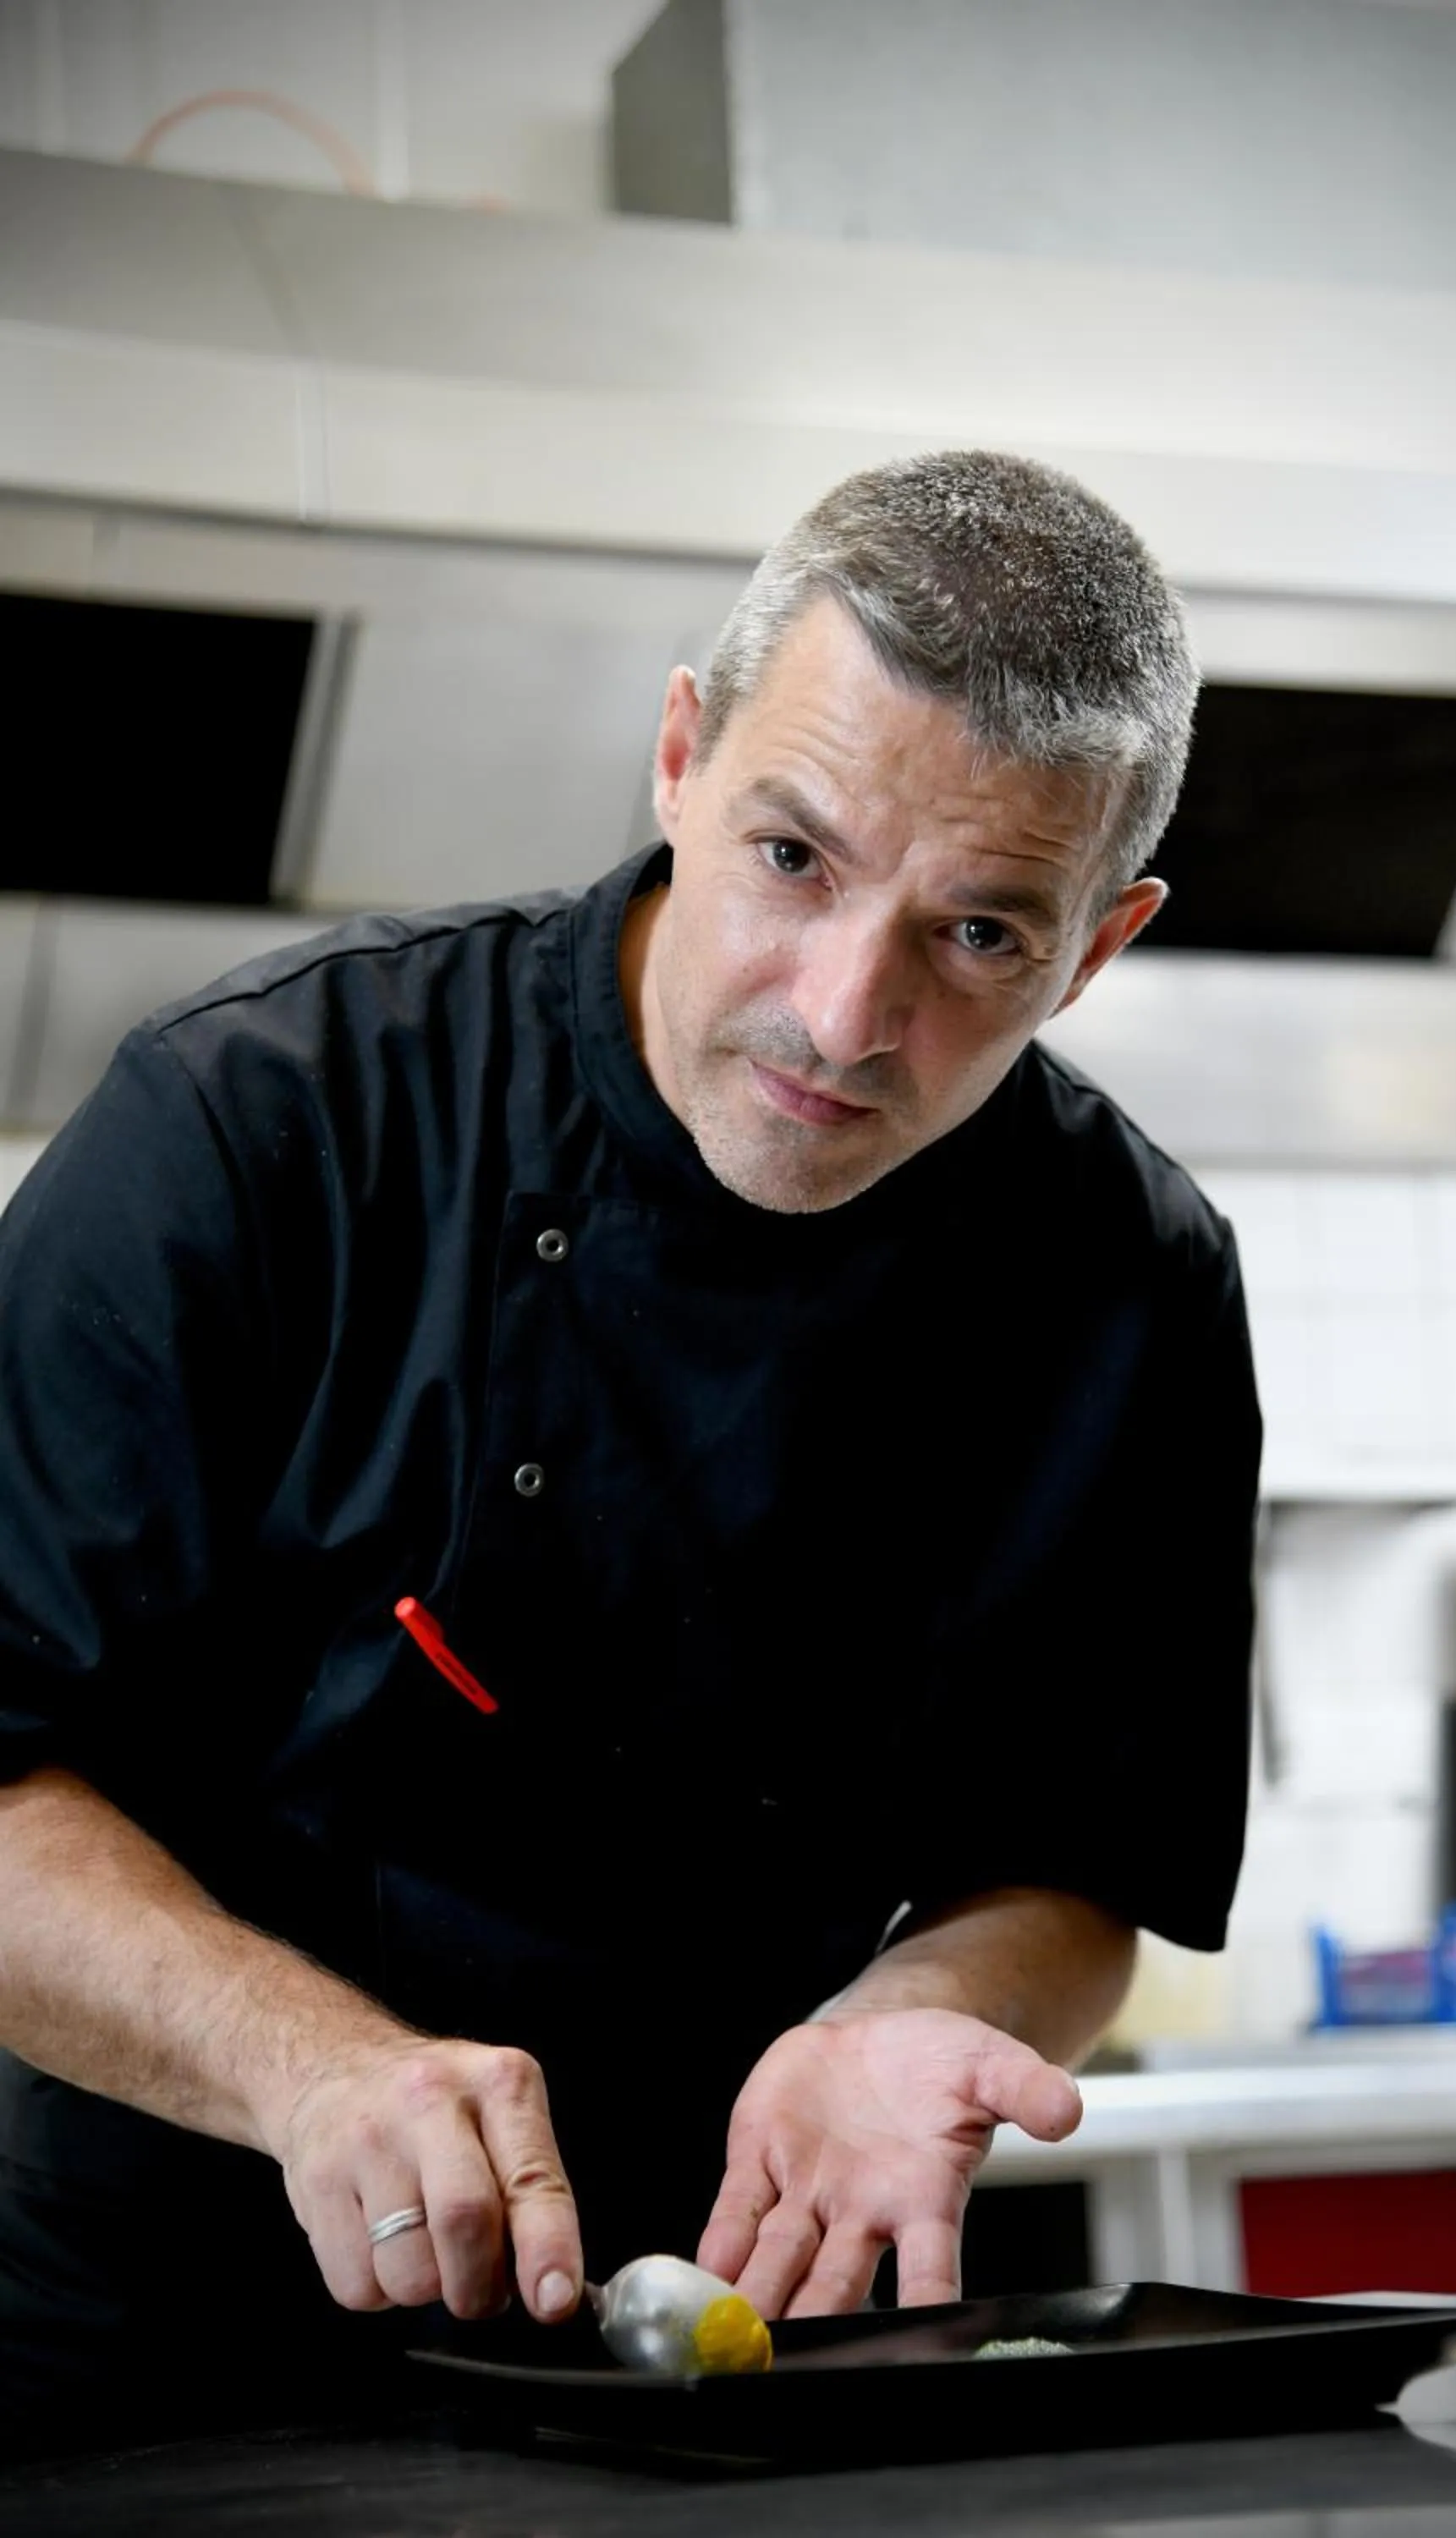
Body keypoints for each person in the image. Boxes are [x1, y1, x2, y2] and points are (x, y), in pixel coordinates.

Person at [0, 450, 1260, 2452]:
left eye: (978, 936)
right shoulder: (257, 1124)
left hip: (722, 2338)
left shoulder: (1129, 1280)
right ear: (680, 757)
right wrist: (306, 2067)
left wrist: (920, 2010)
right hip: (140, 2358)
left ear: (1098, 945)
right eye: (793, 857)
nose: (844, 1015)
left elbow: (1076, 1864)